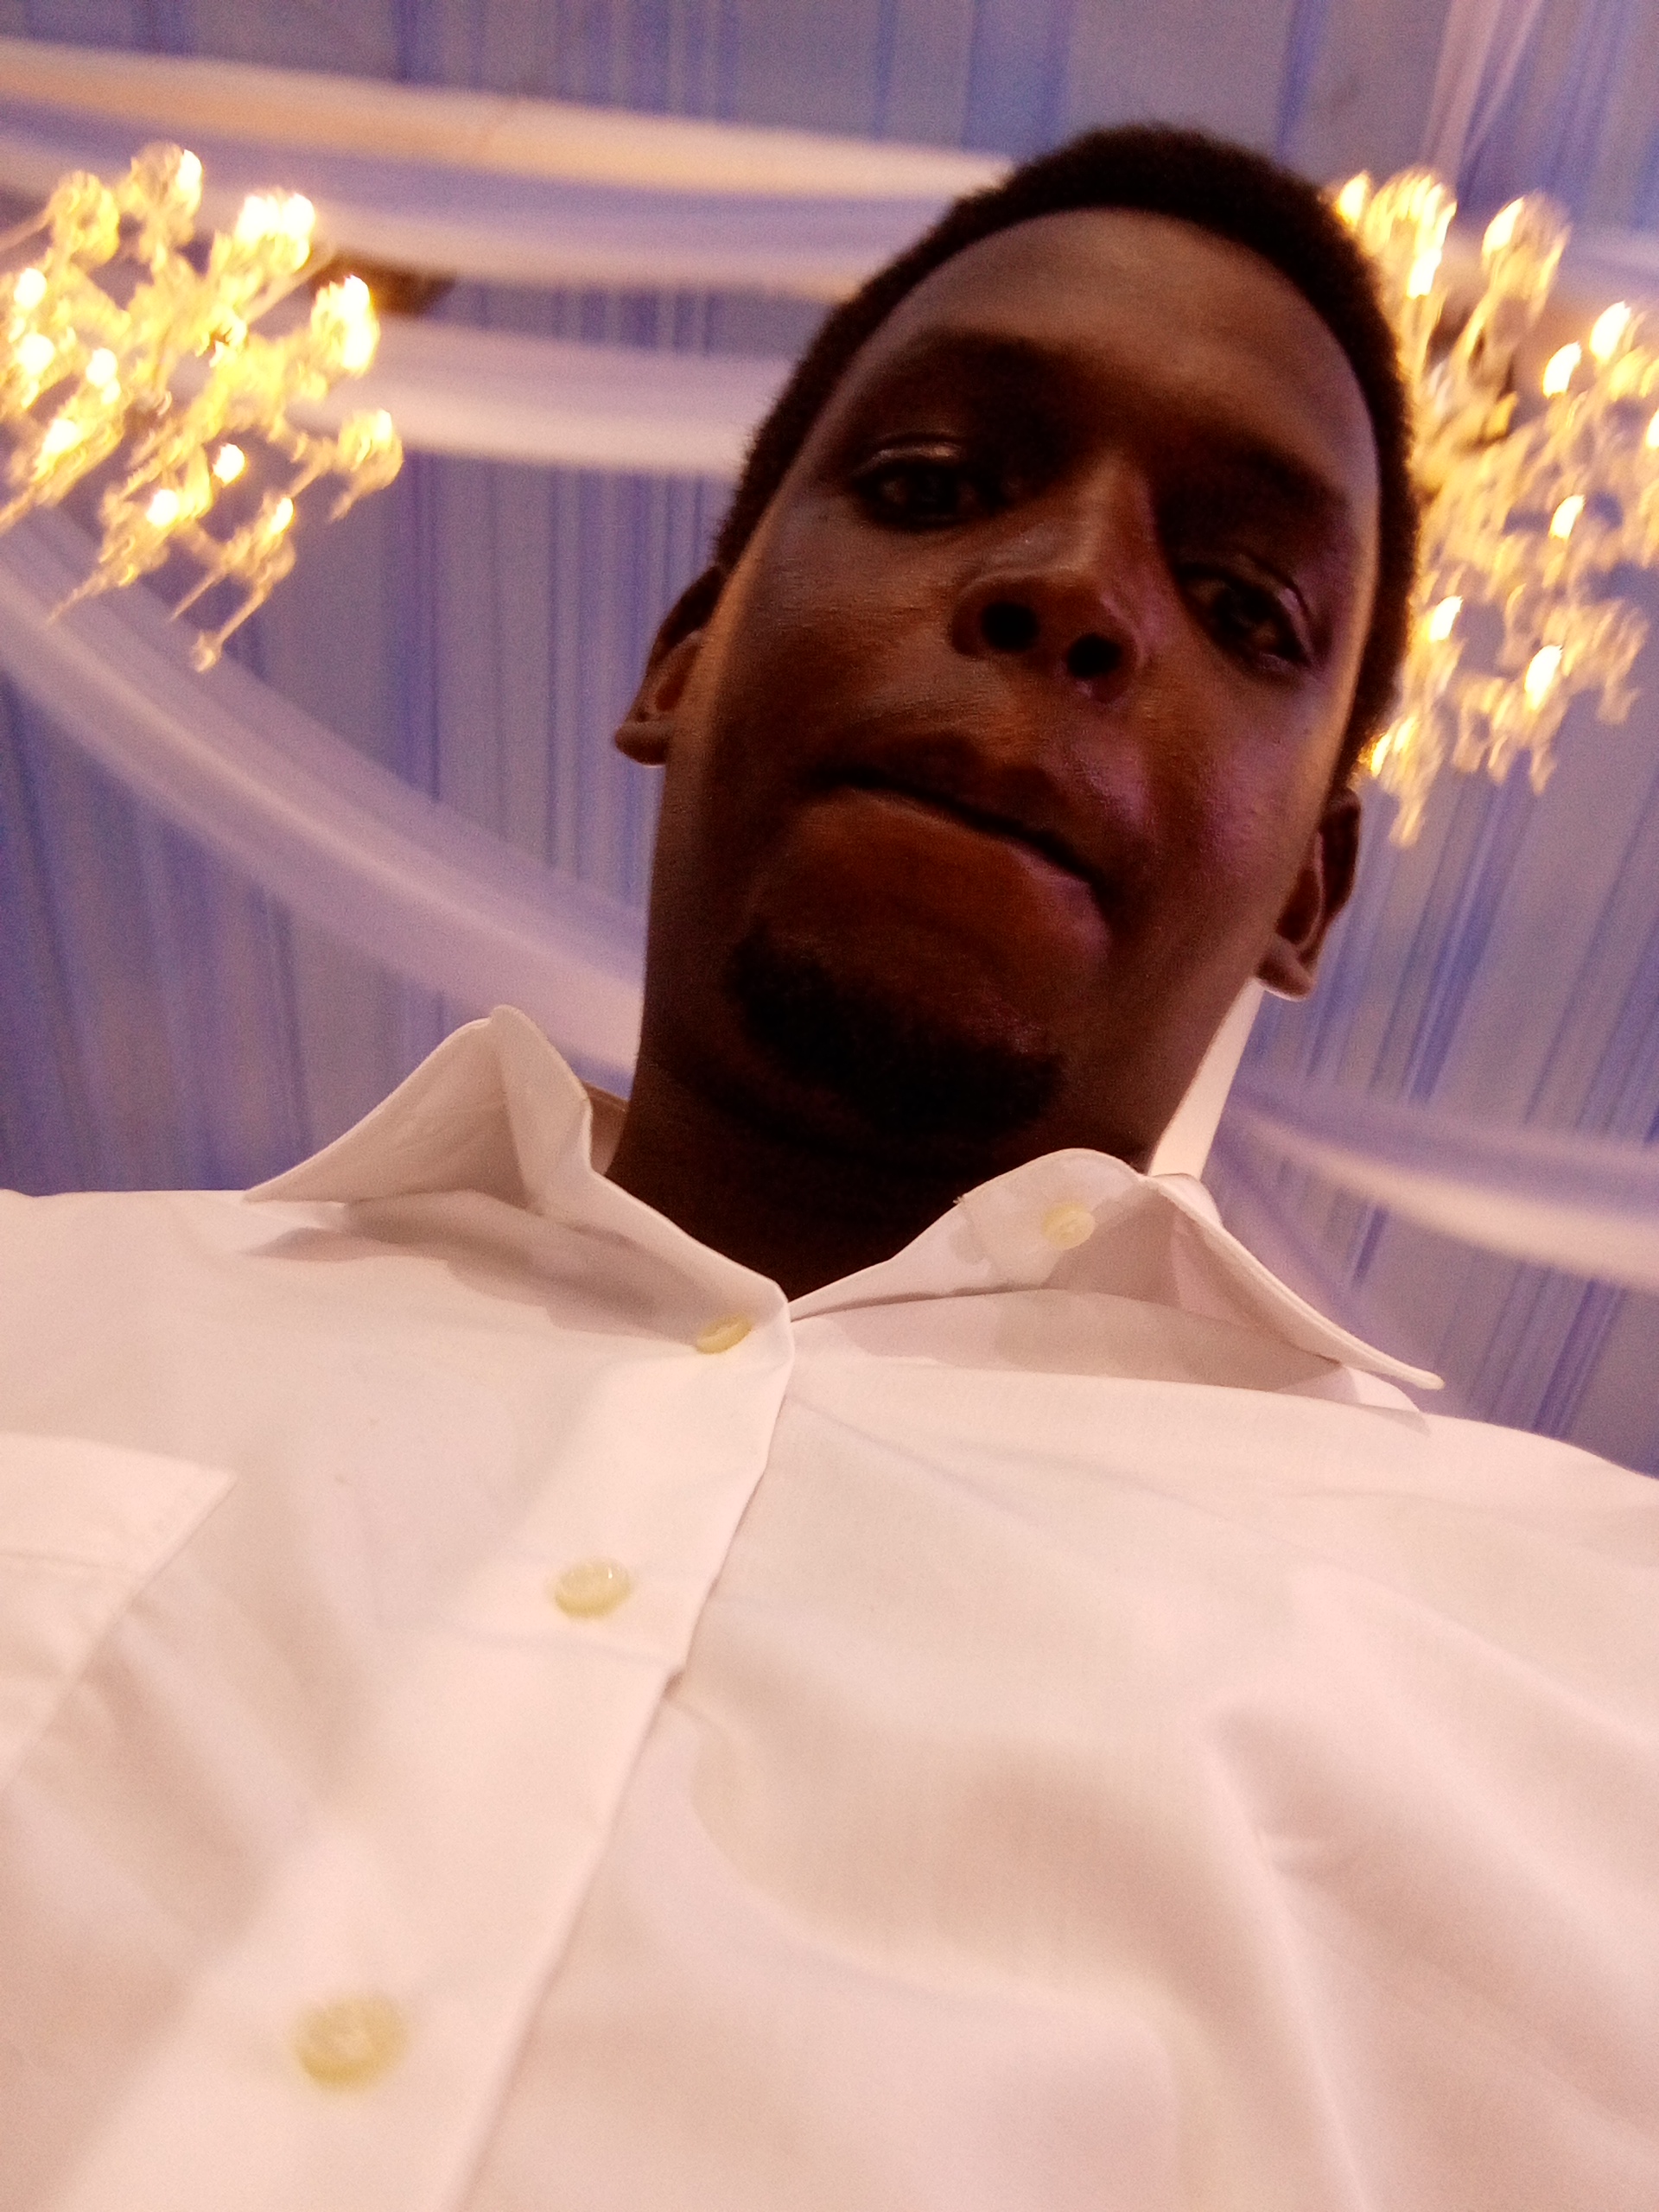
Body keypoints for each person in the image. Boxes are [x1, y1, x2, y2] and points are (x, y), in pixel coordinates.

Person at [0, 126, 1655, 2212]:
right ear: (685, 659)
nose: (1076, 592)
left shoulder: (1603, 1646)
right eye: (936, 482)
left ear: (1308, 891)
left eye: (1244, 604)